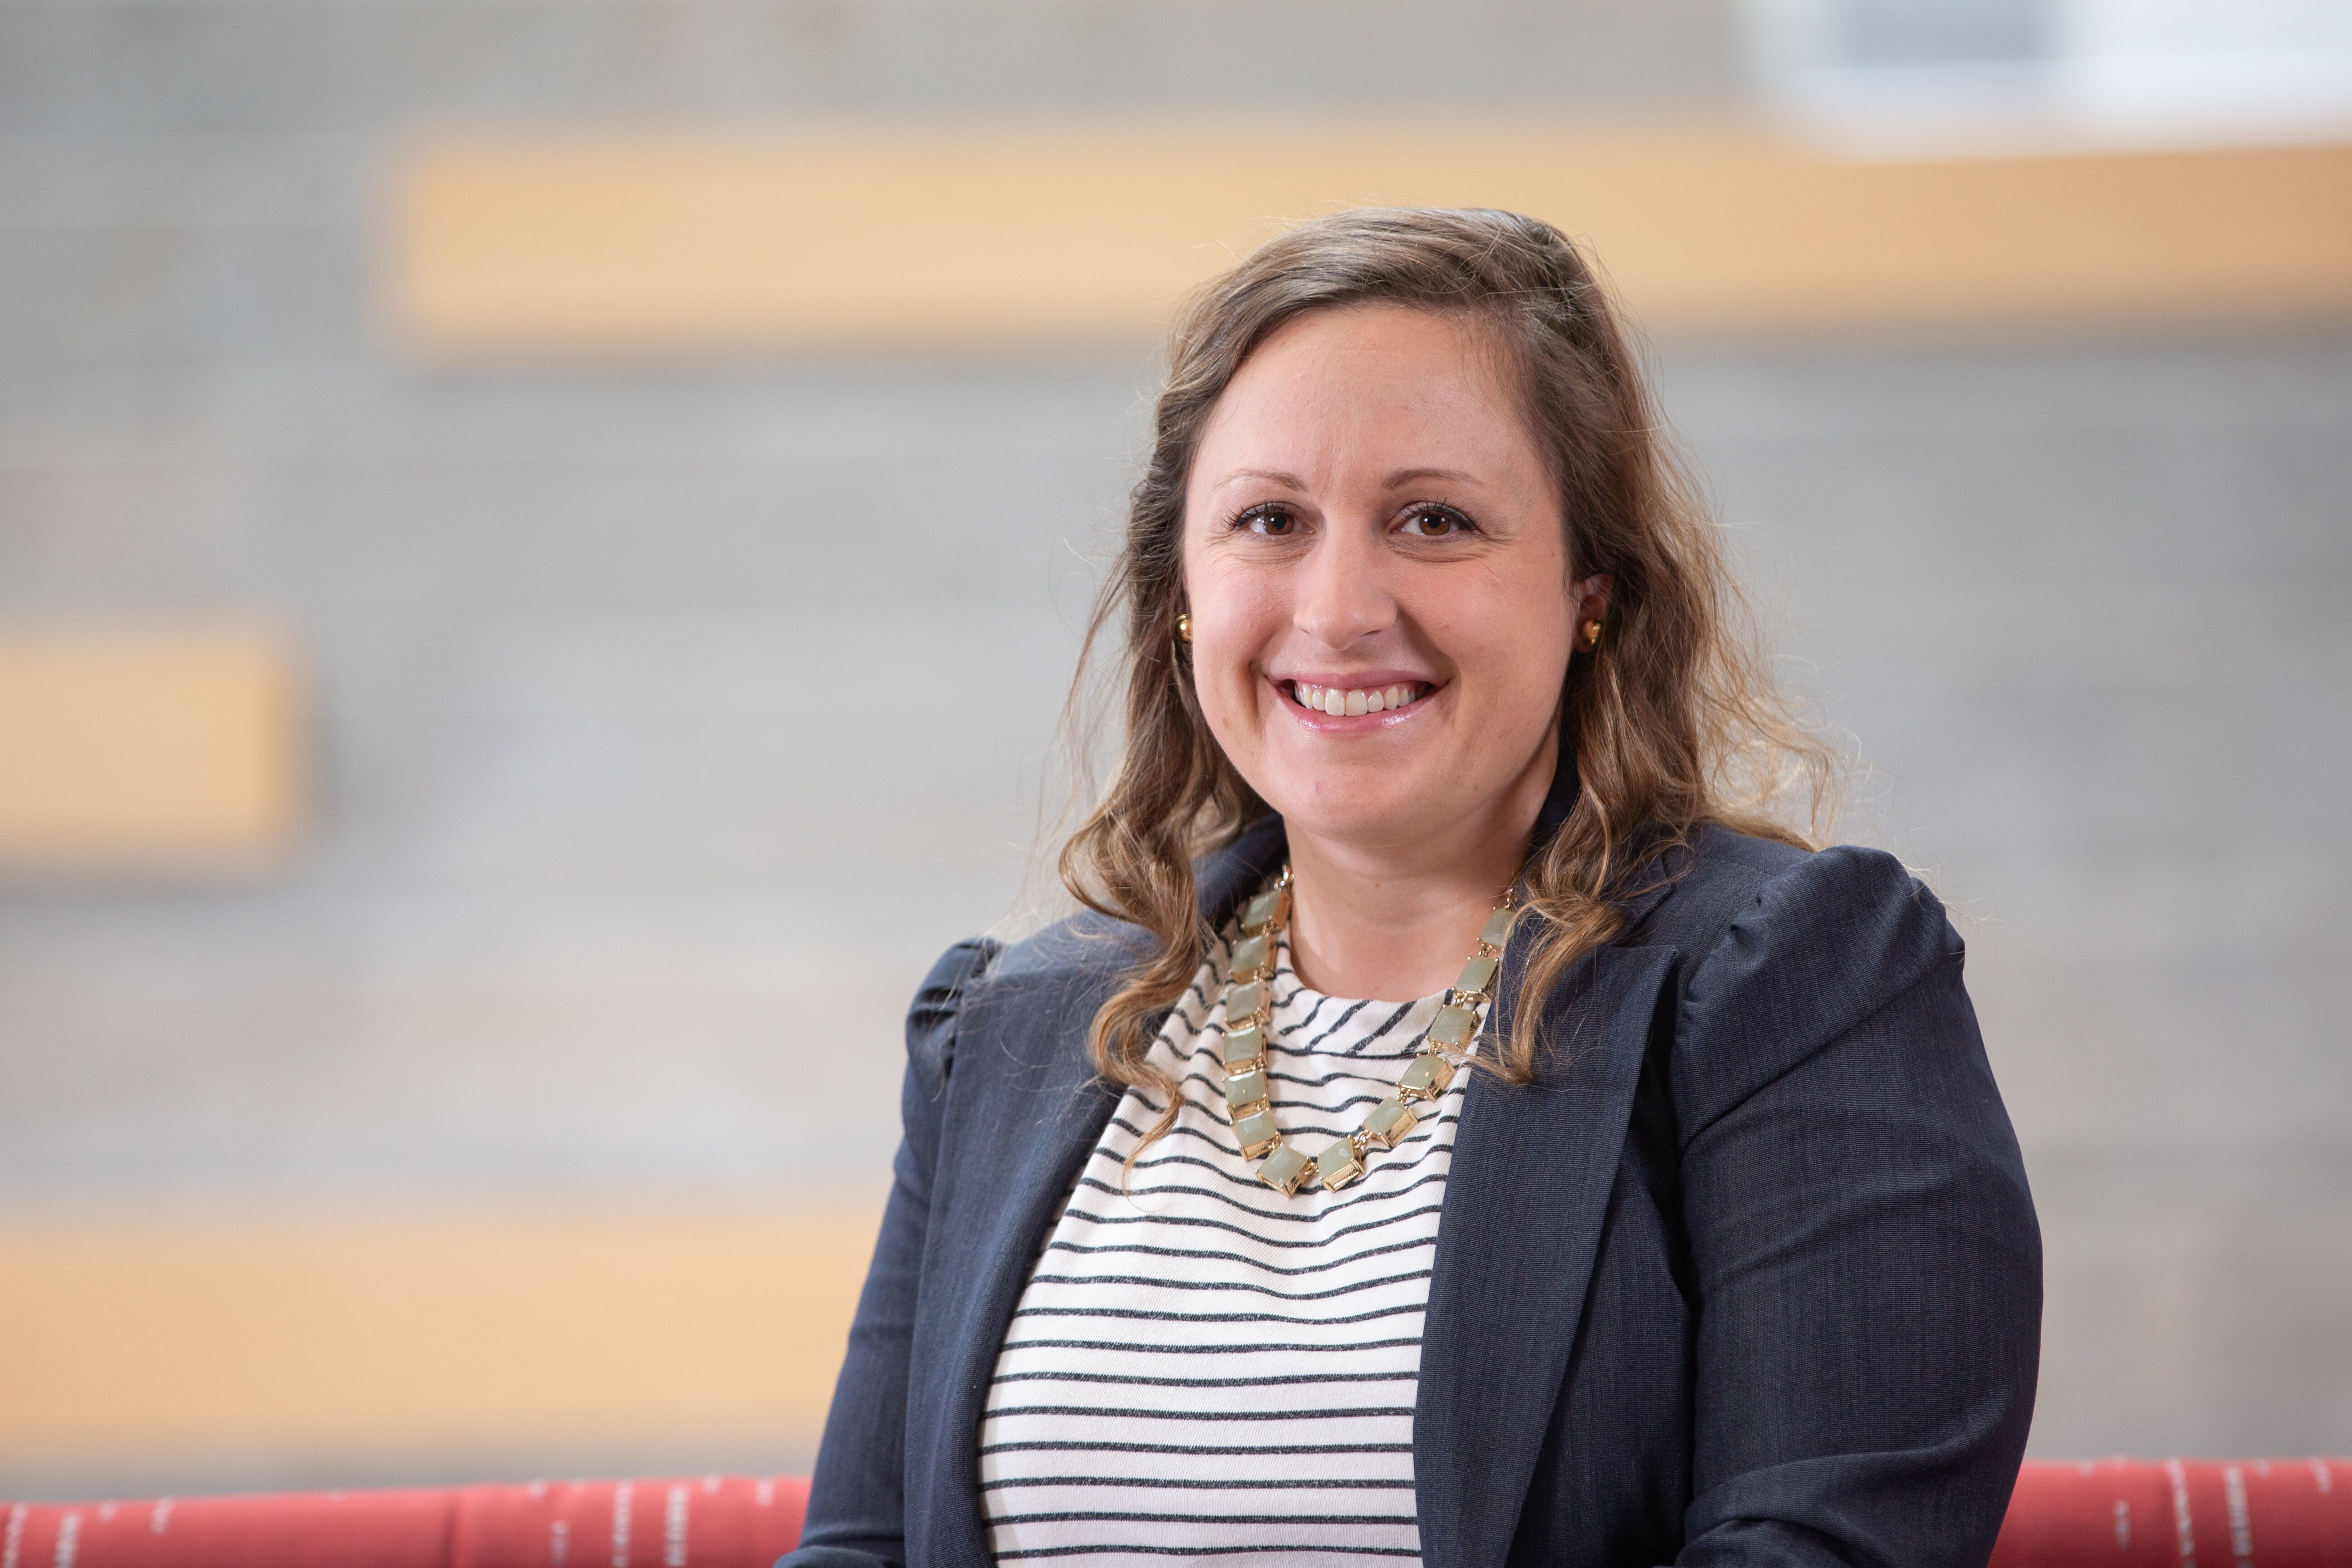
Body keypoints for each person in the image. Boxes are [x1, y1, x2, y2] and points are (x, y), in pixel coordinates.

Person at [779, 207, 2042, 1568]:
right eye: (1269, 520)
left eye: (1434, 521)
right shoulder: (1013, 1034)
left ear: (1590, 590)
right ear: (1183, 593)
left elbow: (1825, 1548)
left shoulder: (1792, 988)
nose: (1339, 608)